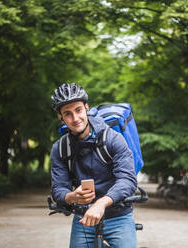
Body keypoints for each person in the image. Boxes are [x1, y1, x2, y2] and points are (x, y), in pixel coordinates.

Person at [50, 83, 138, 248]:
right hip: (83, 217)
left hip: (118, 215)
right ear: (60, 117)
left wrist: (101, 203)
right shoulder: (60, 148)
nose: (75, 118)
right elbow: (58, 188)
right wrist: (72, 196)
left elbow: (127, 180)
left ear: (86, 108)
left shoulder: (113, 139)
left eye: (78, 110)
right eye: (67, 114)